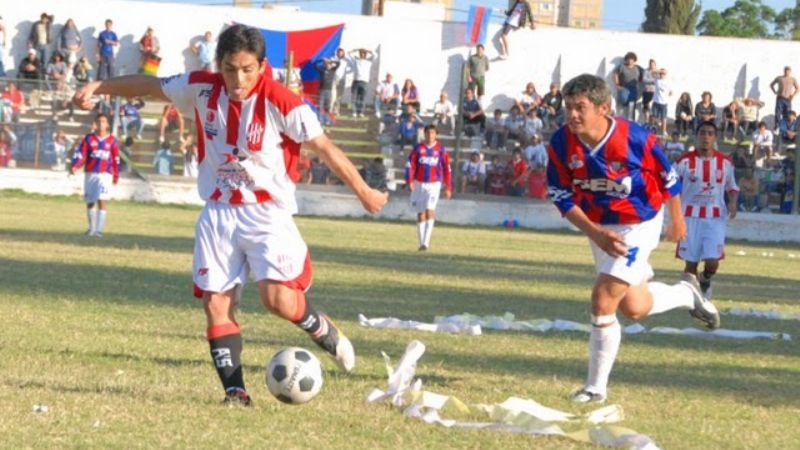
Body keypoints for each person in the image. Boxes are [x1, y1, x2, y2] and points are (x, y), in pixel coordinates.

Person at [72, 24, 387, 405]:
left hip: (266, 212)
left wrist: (364, 192)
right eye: (230, 69)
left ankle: (319, 327)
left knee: (277, 300)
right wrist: (98, 86)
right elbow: (149, 85)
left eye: (247, 69)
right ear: (218, 64)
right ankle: (235, 393)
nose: (238, 79)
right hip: (219, 212)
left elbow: (323, 147)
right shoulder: (200, 87)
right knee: (216, 304)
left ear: (262, 66)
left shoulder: (282, 101)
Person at [545, 74, 719, 404]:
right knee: (634, 307)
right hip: (600, 227)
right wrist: (596, 232)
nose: (572, 115)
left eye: (580, 107)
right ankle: (686, 294)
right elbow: (561, 196)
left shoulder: (634, 138)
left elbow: (669, 179)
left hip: (639, 223)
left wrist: (677, 220)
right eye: (568, 107)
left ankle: (595, 389)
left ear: (603, 108)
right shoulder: (561, 143)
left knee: (602, 300)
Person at [674, 121, 738, 299]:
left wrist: (733, 202)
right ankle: (693, 301)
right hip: (689, 218)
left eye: (710, 133)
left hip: (714, 218)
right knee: (691, 265)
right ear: (696, 136)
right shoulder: (683, 161)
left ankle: (705, 279)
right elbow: (671, 186)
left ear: (715, 137)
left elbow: (732, 186)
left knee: (712, 262)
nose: (706, 137)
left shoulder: (725, 163)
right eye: (702, 133)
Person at [70, 113, 119, 238]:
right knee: (90, 201)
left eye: (103, 121)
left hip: (105, 174)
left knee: (102, 199)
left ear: (107, 124)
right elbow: (82, 154)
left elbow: (115, 159)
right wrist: (76, 165)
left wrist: (116, 175)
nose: (101, 124)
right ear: (95, 123)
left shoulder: (112, 141)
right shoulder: (89, 138)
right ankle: (91, 229)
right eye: (99, 121)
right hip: (90, 173)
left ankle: (99, 230)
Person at [406, 124, 451, 251]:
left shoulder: (441, 150)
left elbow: (447, 169)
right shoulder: (418, 149)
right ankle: (421, 243)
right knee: (420, 214)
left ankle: (426, 243)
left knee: (430, 210)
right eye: (428, 133)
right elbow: (410, 165)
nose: (430, 135)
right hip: (419, 184)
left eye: (432, 133)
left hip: (434, 184)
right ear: (424, 134)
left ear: (436, 135)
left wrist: (448, 187)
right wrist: (410, 180)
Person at [613, 52, 643, 121]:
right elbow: (615, 74)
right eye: (628, 59)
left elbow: (645, 73)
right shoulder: (622, 67)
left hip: (634, 88)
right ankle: (622, 117)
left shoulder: (638, 67)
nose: (630, 61)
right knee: (623, 100)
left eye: (631, 59)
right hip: (624, 88)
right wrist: (617, 84)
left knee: (632, 107)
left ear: (634, 60)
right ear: (626, 60)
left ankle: (631, 121)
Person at [314, 57, 340, 126]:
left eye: (329, 64)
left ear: (331, 65)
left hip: (329, 91)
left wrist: (331, 61)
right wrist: (322, 60)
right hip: (322, 90)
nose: (328, 65)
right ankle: (320, 120)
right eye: (327, 64)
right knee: (320, 106)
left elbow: (338, 63)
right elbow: (315, 65)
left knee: (328, 107)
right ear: (325, 65)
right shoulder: (322, 70)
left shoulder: (333, 70)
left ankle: (327, 120)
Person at [349, 48, 374, 117]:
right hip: (356, 81)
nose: (362, 54)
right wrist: (357, 49)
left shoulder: (369, 62)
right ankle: (354, 111)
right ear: (359, 54)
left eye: (363, 53)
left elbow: (375, 55)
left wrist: (367, 50)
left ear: (365, 55)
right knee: (354, 98)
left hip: (364, 82)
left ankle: (361, 112)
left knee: (362, 98)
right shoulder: (356, 61)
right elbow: (349, 54)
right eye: (361, 53)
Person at [331, 48, 350, 115]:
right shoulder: (334, 59)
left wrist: (346, 72)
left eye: (341, 53)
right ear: (337, 53)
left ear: (343, 53)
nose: (340, 54)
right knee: (333, 96)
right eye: (339, 52)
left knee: (339, 97)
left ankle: (336, 110)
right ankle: (331, 110)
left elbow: (352, 67)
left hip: (342, 80)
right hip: (334, 79)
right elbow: (331, 66)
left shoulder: (346, 60)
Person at [652, 68, 671, 136]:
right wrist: (660, 71)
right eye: (661, 74)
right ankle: (654, 130)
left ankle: (664, 131)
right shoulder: (657, 79)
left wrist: (670, 92)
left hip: (664, 103)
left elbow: (670, 90)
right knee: (654, 117)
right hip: (656, 101)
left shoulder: (667, 81)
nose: (662, 75)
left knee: (664, 118)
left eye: (663, 74)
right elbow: (653, 72)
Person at [641, 59, 658, 125]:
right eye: (651, 64)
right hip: (647, 91)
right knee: (646, 107)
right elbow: (644, 80)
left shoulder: (657, 72)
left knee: (654, 107)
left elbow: (660, 79)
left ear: (655, 65)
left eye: (653, 64)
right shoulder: (646, 71)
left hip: (655, 92)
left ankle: (653, 122)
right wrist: (653, 80)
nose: (652, 66)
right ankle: (646, 121)